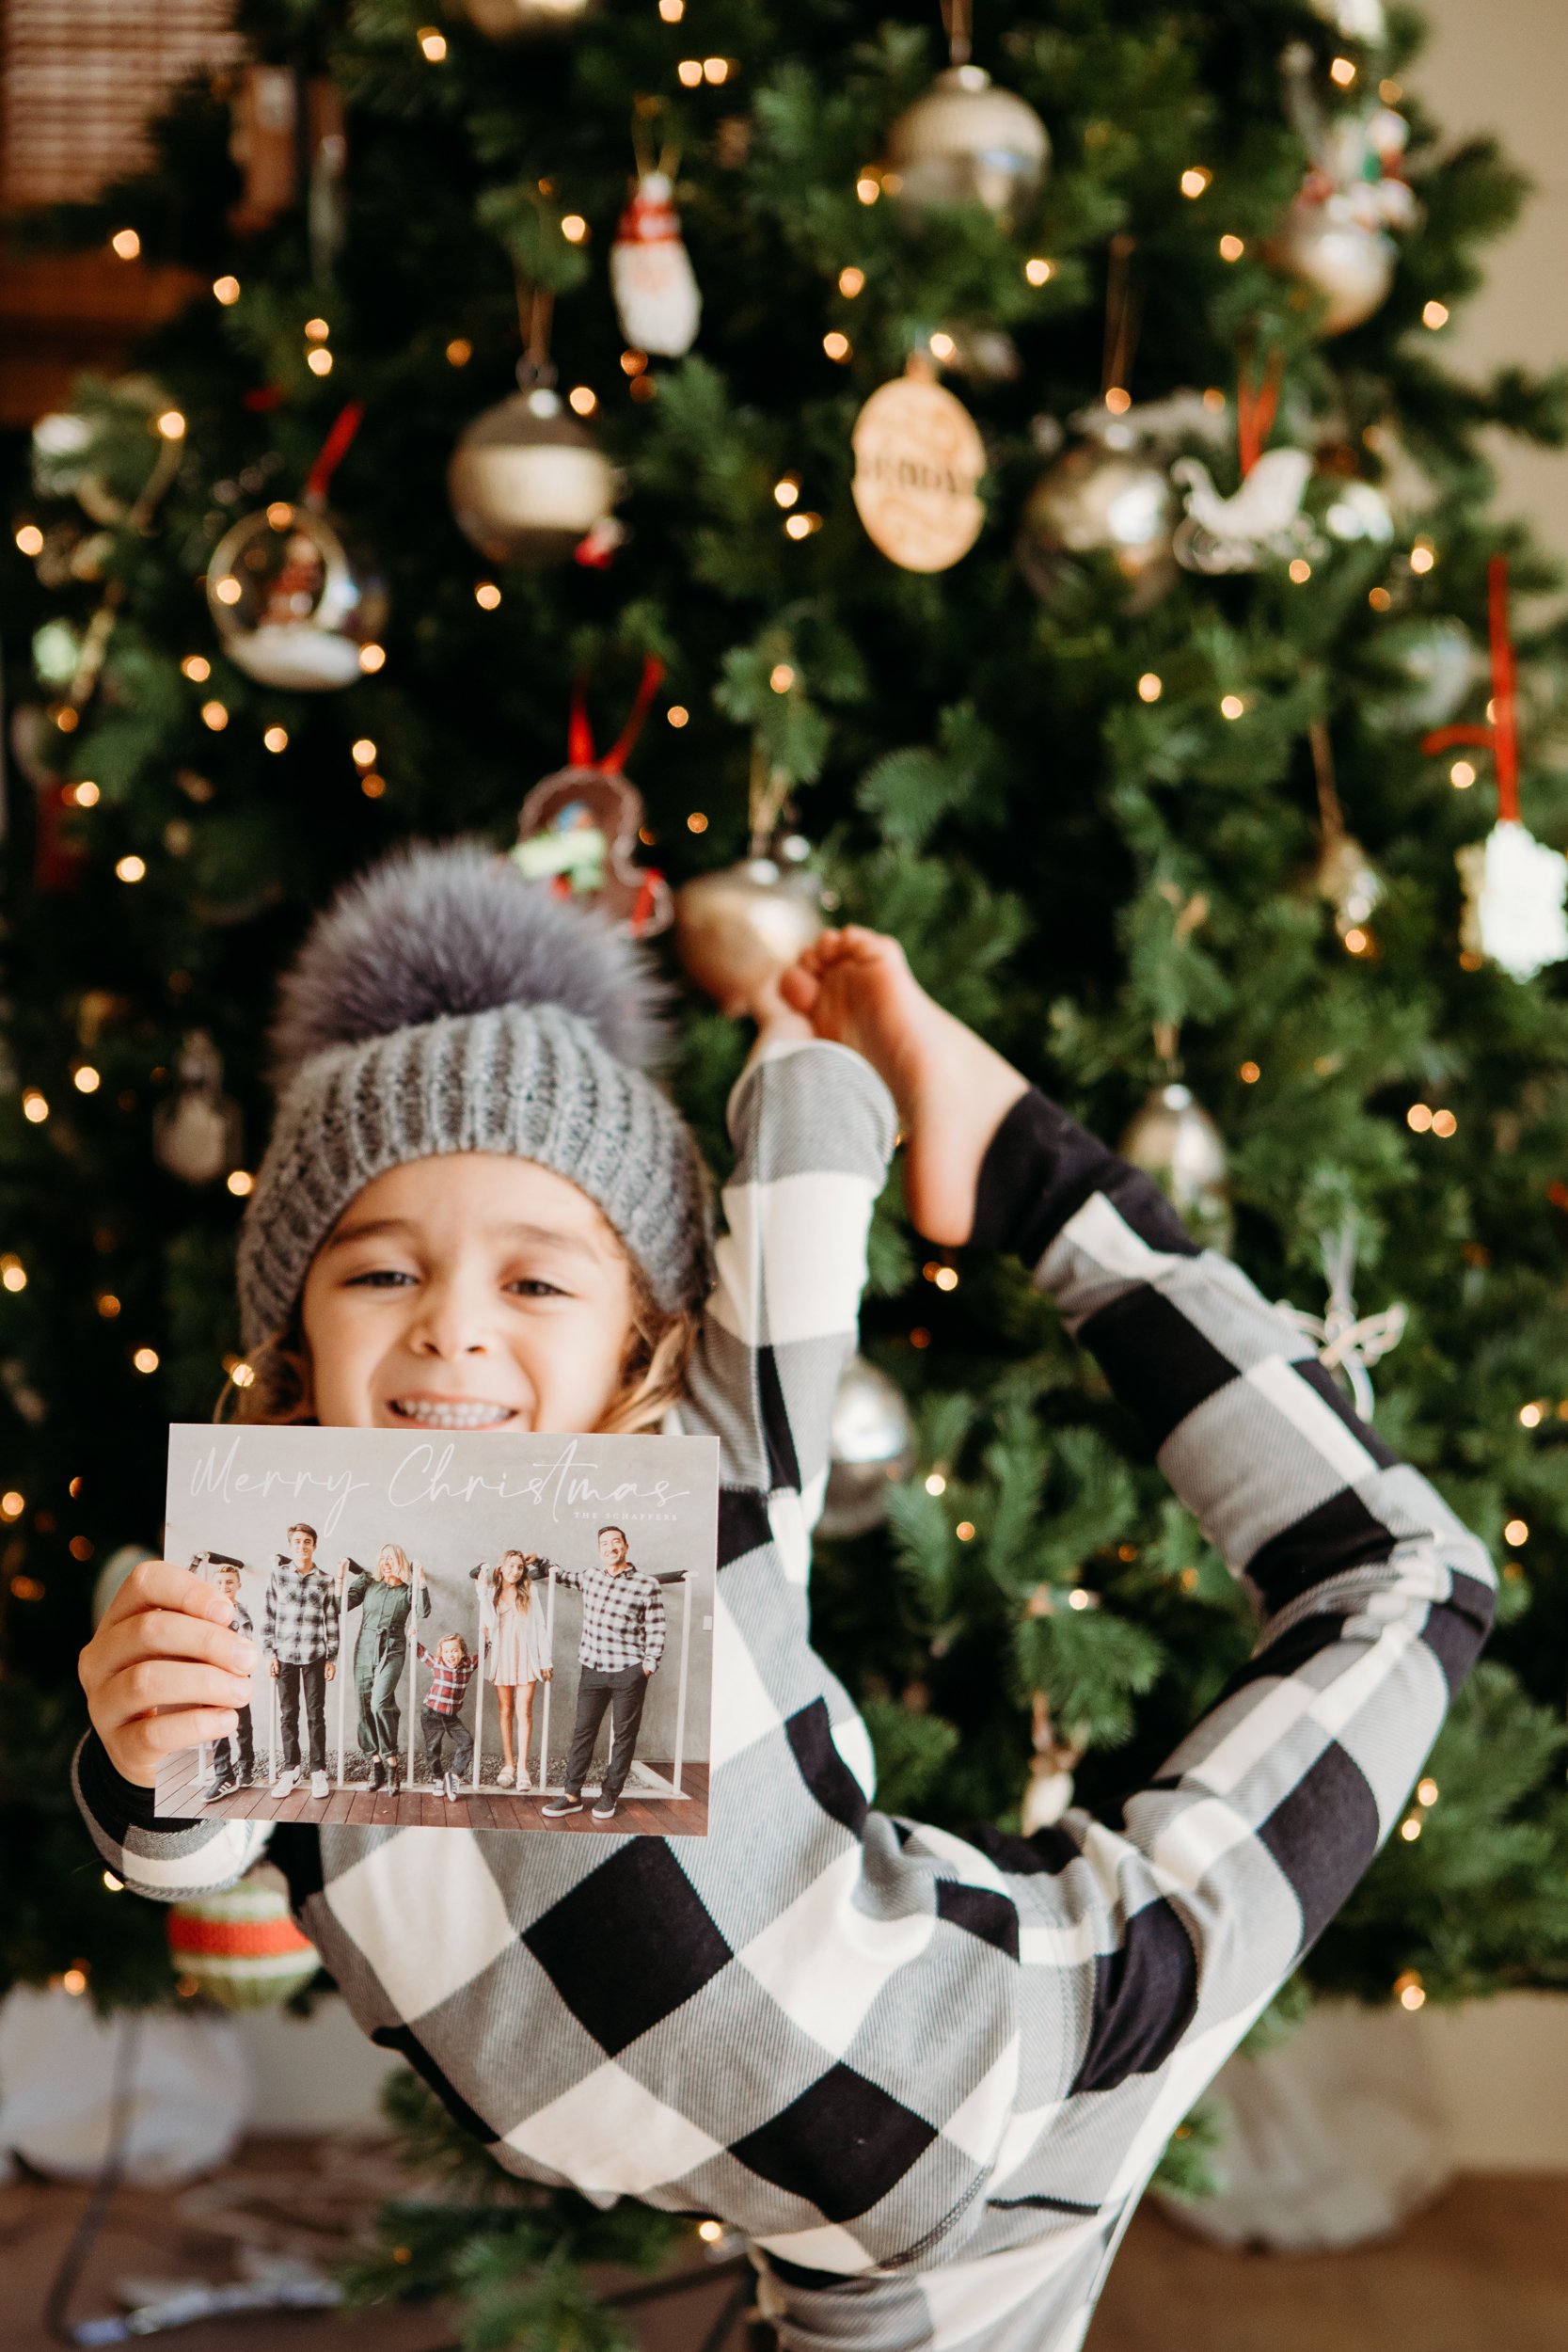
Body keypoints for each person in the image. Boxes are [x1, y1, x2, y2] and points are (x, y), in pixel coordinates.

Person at [75, 846, 1493, 2352]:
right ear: (292, 1337)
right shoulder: (284, 1603)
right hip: (852, 2265)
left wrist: (814, 1052)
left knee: (1404, 1579)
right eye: (377, 1277)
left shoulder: (707, 1472)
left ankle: (1031, 1165)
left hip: (1053, 2033)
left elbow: (799, 1203)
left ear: (642, 1343)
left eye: (537, 1285)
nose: (451, 1331)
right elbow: (189, 1844)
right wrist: (142, 1754)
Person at [541, 1525, 663, 1824]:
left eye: (616, 1542)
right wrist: (543, 1563)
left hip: (628, 1671)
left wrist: (648, 1665)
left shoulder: (646, 1585)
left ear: (626, 1546)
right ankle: (571, 1796)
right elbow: (562, 1575)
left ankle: (609, 1795)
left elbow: (657, 1627)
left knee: (623, 1736)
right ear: (600, 1550)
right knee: (583, 1732)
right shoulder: (590, 1577)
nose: (611, 1547)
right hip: (592, 1668)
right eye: (605, 1544)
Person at [338, 1542, 428, 1793]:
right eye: (382, 1558)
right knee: (364, 1704)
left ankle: (391, 1763)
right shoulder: (369, 1583)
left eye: (390, 1558)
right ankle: (375, 1762)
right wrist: (341, 1579)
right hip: (365, 1645)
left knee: (380, 1703)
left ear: (400, 1561)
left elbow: (423, 1609)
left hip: (393, 1647)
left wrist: (421, 1580)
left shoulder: (408, 1591)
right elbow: (340, 1605)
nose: (385, 1562)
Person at [261, 1520, 337, 1802]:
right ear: (290, 1546)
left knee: (316, 1714)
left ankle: (318, 1770)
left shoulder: (325, 1580)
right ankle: (290, 1769)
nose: (302, 1546)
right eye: (297, 1542)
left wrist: (332, 1657)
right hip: (285, 1656)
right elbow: (268, 1615)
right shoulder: (278, 1576)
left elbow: (331, 1620)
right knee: (288, 1713)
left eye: (307, 1542)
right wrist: (269, 1653)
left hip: (315, 1655)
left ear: (314, 1546)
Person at [475, 1549, 552, 1788]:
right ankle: (508, 1764)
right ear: (501, 1568)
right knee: (505, 1710)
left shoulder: (530, 1591)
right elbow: (488, 1625)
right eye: (510, 1566)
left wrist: (545, 1660)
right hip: (503, 1656)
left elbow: (540, 1625)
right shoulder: (490, 1592)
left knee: (525, 1711)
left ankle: (522, 1769)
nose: (515, 1571)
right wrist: (481, 1593)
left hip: (526, 1656)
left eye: (519, 1567)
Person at [199, 1561, 254, 1802]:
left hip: (237, 1675)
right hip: (215, 1676)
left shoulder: (241, 1614)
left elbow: (245, 1646)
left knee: (242, 1723)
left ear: (239, 1585)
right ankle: (224, 1774)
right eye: (220, 1583)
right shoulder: (208, 1614)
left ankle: (246, 1767)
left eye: (230, 1582)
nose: (225, 1586)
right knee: (218, 1725)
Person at [416, 1631, 480, 1803]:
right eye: (446, 1652)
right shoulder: (437, 1664)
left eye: (455, 1651)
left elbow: (483, 1654)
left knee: (466, 1741)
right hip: (431, 1713)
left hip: (451, 1716)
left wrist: (487, 1639)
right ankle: (437, 1779)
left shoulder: (468, 1666)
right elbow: (421, 1653)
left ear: (462, 1652)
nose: (450, 1655)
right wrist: (412, 1638)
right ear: (441, 1654)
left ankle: (454, 1776)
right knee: (433, 1748)